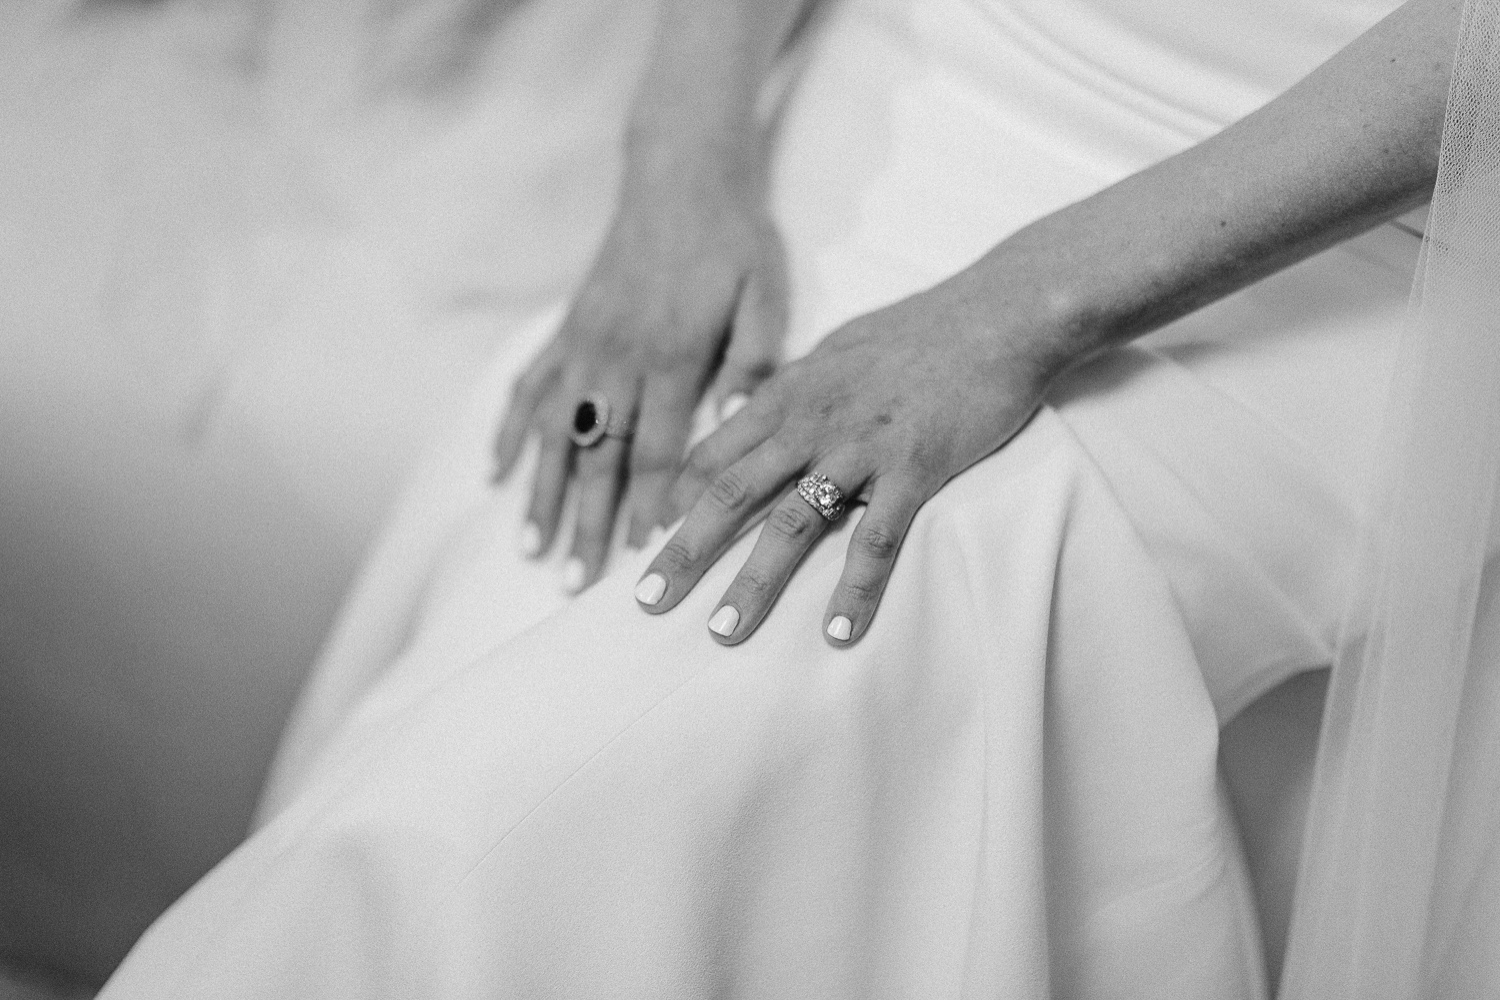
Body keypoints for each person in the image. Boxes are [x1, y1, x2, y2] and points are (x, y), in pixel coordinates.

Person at [92, 0, 1494, 994]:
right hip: (941, 69)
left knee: (496, 818)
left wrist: (1015, 309)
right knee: (558, 534)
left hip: (1359, 216)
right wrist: (678, 168)